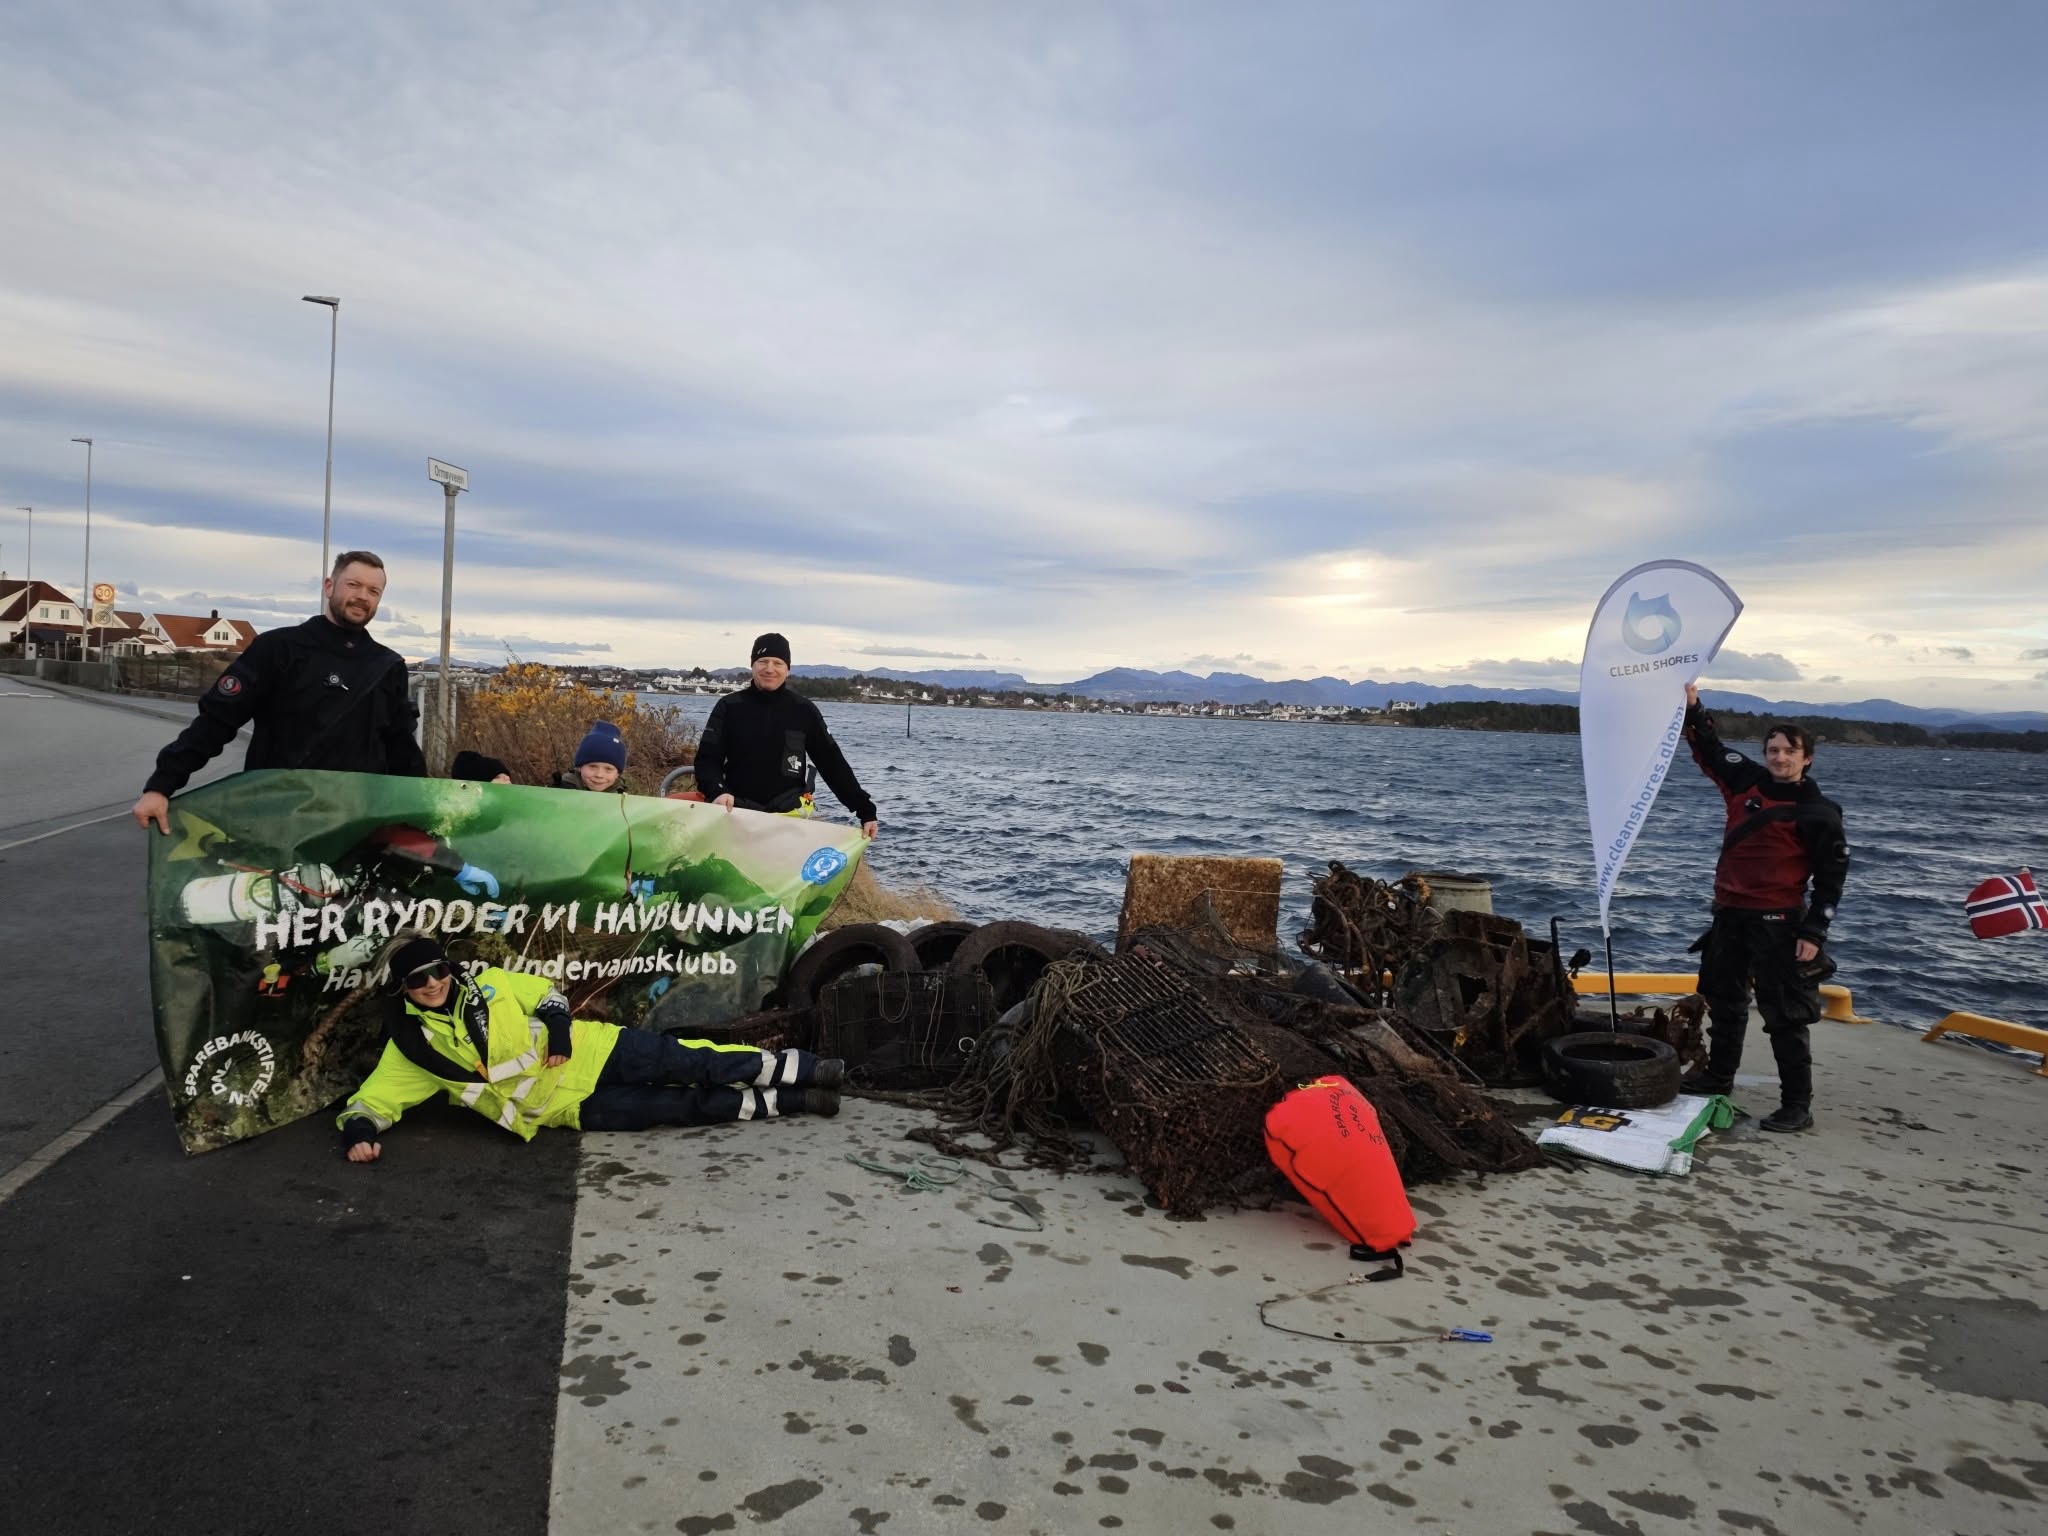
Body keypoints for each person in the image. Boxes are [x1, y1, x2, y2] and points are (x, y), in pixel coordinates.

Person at [339, 934, 847, 1162]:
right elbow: (372, 1102)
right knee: (679, 1107)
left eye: (436, 971)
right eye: (417, 979)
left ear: (448, 969)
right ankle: (794, 1101)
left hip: (593, 1049)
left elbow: (549, 997)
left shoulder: (491, 983)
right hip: (568, 1106)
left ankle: (806, 1070)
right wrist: (359, 1134)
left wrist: (560, 1034)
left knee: (695, 1061)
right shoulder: (411, 1046)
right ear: (403, 988)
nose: (431, 984)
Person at [132, 550, 426, 833]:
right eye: (354, 584)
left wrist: (424, 809)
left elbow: (401, 748)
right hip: (276, 818)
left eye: (373, 591)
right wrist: (161, 786)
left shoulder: (387, 666)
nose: (363, 596)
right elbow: (216, 723)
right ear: (329, 586)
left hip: (357, 822)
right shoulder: (277, 649)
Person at [1677, 683, 1850, 1133]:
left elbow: (1831, 880)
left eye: (1790, 751)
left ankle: (1797, 1105)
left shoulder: (1819, 813)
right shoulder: (1746, 781)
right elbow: (1710, 749)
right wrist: (1693, 707)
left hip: (1779, 924)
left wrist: (1814, 933)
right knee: (1724, 1001)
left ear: (1807, 758)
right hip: (1728, 916)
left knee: (1785, 1015)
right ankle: (1718, 1077)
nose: (1780, 757)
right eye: (1773, 750)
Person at [693, 633, 878, 839]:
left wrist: (865, 810)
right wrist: (717, 791)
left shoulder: (804, 710)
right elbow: (707, 760)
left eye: (778, 663)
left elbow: (832, 763)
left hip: (789, 817)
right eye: (763, 661)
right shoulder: (729, 706)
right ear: (752, 665)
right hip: (736, 812)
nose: (769, 668)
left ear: (787, 669)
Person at [560, 721, 626, 792]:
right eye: (593, 766)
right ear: (579, 767)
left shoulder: (622, 797)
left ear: (617, 774)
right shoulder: (560, 791)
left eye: (608, 769)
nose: (599, 775)